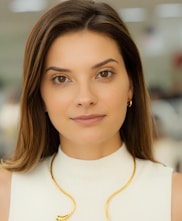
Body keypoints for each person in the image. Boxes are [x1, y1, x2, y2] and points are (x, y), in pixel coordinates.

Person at [0, 0, 182, 220]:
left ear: (130, 86)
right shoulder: (7, 193)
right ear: (40, 96)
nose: (85, 98)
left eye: (104, 74)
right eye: (61, 79)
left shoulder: (174, 197)